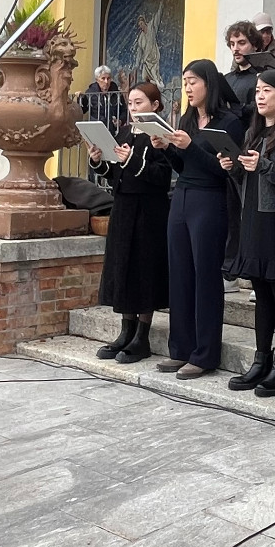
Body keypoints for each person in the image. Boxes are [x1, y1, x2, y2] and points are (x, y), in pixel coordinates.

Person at [154, 59, 244, 380]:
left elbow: (222, 170)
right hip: (182, 198)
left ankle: (205, 353)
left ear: (209, 83)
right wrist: (167, 149)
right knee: (179, 274)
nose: (188, 88)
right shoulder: (189, 118)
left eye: (193, 81)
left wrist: (190, 147)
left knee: (205, 276)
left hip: (210, 200)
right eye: (185, 82)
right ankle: (180, 348)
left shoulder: (229, 122)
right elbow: (183, 166)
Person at [219, 69, 275, 396]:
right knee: (261, 292)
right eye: (257, 90)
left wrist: (265, 166)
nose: (259, 96)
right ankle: (261, 359)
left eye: (267, 90)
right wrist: (233, 169)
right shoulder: (253, 133)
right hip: (253, 217)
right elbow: (247, 180)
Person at [86, 82, 173, 364]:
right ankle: (126, 330)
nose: (133, 108)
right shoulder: (124, 131)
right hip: (123, 207)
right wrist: (99, 161)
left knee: (143, 270)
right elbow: (115, 173)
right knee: (122, 266)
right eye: (131, 103)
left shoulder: (160, 135)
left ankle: (142, 336)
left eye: (139, 103)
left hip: (149, 210)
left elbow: (162, 176)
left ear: (155, 106)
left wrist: (133, 160)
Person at [223, 20, 263, 127]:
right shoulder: (226, 79)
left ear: (254, 45)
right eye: (232, 44)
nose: (235, 49)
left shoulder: (263, 77)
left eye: (241, 43)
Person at [77, 66, 127, 134]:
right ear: (97, 80)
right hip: (96, 130)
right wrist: (80, 98)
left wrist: (120, 121)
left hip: (113, 131)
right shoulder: (91, 93)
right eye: (103, 78)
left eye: (108, 78)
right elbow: (82, 110)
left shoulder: (116, 93)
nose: (106, 82)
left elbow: (124, 111)